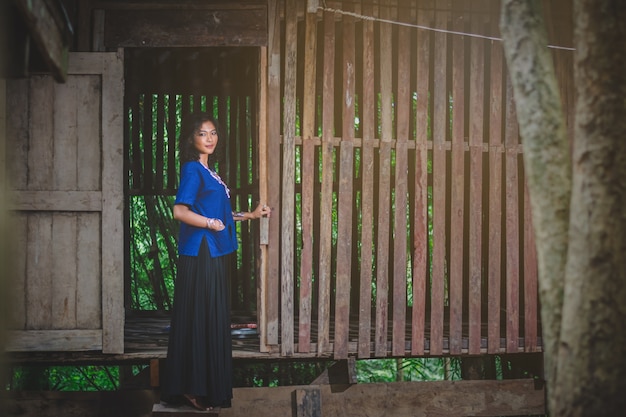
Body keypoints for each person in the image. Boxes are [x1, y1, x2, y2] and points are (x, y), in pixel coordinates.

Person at [161, 112, 270, 411]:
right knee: (200, 317)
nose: (209, 138)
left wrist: (250, 215)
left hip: (216, 250)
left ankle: (203, 387)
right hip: (202, 251)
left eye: (213, 133)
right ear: (191, 139)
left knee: (211, 318)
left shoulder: (212, 173)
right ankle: (191, 386)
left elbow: (221, 215)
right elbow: (180, 211)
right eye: (202, 134)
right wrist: (209, 223)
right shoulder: (192, 170)